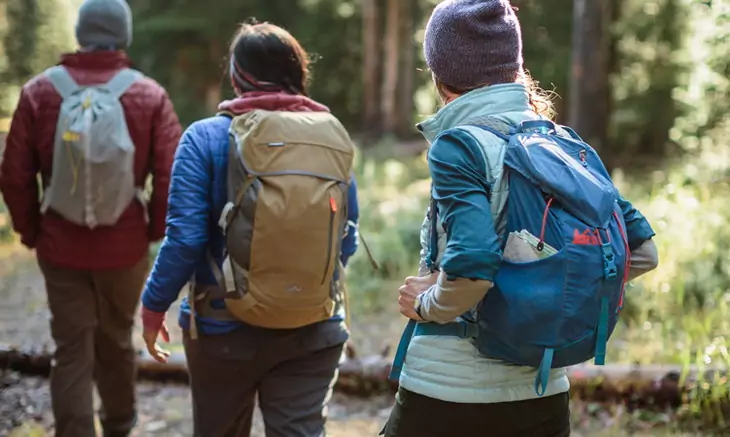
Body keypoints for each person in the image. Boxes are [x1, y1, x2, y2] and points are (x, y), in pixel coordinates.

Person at [384, 1, 660, 436]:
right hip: (545, 392)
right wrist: (543, 294)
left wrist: (425, 303)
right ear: (514, 64)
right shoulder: (564, 144)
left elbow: (473, 264)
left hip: (449, 390)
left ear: (440, 73)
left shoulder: (458, 146)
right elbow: (642, 251)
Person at [140, 21, 361, 437]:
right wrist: (296, 284)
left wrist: (154, 307)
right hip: (313, 328)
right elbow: (345, 238)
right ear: (298, 74)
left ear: (238, 76)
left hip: (223, 329)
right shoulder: (330, 139)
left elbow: (185, 239)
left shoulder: (204, 138)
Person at [0, 1, 181, 436]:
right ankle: (120, 426)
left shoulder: (40, 92)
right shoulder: (148, 94)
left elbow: (13, 174)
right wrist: (150, 230)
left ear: (81, 33)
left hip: (60, 244)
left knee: (70, 349)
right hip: (125, 246)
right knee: (117, 341)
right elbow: (171, 173)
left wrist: (32, 231)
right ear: (125, 34)